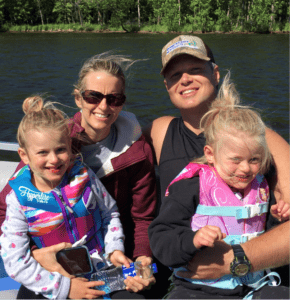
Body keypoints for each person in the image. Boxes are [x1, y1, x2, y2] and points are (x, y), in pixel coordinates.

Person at [0, 53, 157, 297]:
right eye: (93, 96)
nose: (103, 106)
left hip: (109, 259)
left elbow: (140, 217)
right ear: (78, 98)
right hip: (51, 269)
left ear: (122, 102)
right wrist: (36, 255)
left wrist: (140, 260)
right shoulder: (52, 138)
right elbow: (5, 216)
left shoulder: (136, 150)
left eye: (114, 98)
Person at [143, 35, 289, 287]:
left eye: (196, 69)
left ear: (216, 73)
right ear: (167, 85)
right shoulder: (159, 131)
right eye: (175, 74)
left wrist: (232, 261)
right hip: (187, 278)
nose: (185, 79)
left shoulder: (258, 138)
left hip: (251, 277)